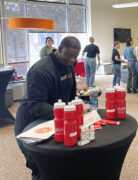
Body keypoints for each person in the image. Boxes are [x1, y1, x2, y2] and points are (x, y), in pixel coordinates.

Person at [14, 36, 81, 179]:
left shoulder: (69, 66)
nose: (72, 60)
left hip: (54, 119)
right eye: (69, 55)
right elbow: (36, 106)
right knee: (41, 169)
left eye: (75, 57)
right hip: (30, 123)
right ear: (60, 49)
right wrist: (67, 112)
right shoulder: (40, 70)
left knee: (60, 165)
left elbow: (70, 97)